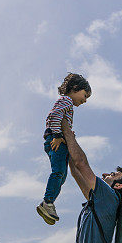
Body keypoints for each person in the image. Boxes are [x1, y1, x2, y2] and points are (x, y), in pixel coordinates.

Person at [36, 73, 92, 225]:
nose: (85, 100)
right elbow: (55, 115)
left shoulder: (67, 103)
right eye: (85, 95)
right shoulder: (66, 100)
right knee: (58, 172)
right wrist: (57, 135)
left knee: (62, 175)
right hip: (56, 140)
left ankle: (49, 203)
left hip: (59, 140)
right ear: (75, 88)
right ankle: (47, 202)